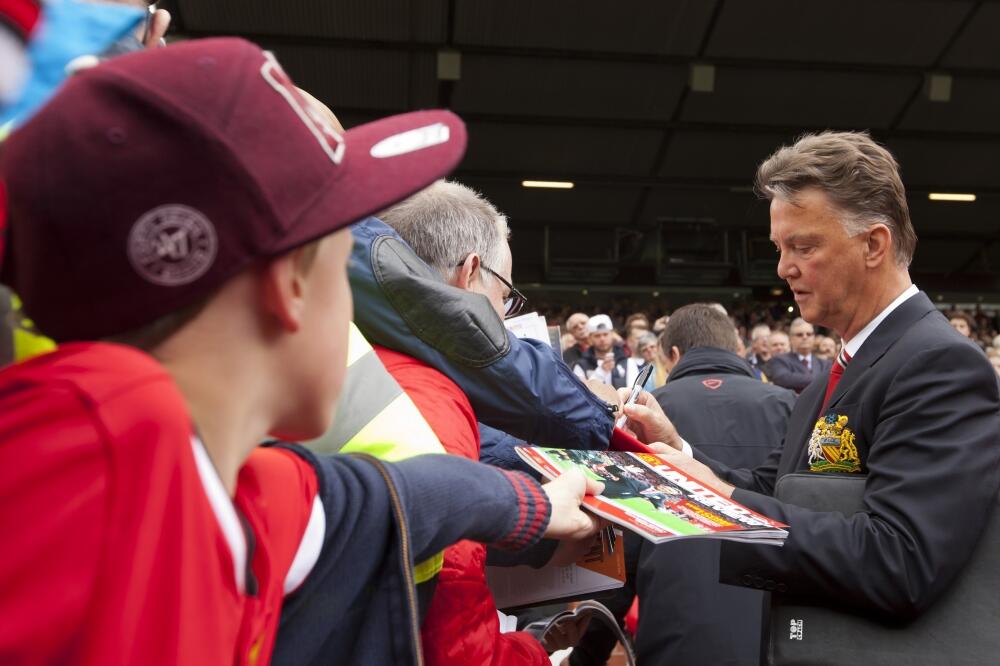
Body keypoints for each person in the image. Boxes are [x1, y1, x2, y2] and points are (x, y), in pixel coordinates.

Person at [0, 39, 600, 665]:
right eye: (344, 270)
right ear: (289, 283)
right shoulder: (83, 467)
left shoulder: (212, 471)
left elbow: (415, 497)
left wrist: (533, 508)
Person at [624, 131, 1000, 642]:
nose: (783, 268)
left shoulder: (940, 364)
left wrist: (725, 498)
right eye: (780, 248)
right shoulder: (839, 369)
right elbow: (778, 489)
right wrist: (681, 453)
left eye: (803, 246)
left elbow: (900, 561)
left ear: (874, 244)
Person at [376, 180, 592, 665]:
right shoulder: (429, 398)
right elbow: (463, 653)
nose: (506, 316)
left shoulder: (354, 357)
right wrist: (535, 650)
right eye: (506, 294)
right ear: (471, 273)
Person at [636, 304, 795, 665]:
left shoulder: (648, 409)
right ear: (737, 350)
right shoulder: (790, 404)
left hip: (676, 602)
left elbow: (628, 529)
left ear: (672, 355)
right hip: (771, 606)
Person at [765, 317, 832, 393]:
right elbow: (782, 379)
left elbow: (832, 382)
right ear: (791, 338)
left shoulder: (825, 363)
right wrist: (821, 380)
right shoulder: (779, 360)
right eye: (799, 335)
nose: (805, 337)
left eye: (809, 334)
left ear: (814, 337)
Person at [572, 314, 631, 388]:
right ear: (590, 338)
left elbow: (634, 392)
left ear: (612, 335)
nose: (602, 339)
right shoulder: (580, 365)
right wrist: (601, 372)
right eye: (597, 336)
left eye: (605, 334)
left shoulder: (627, 362)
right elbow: (579, 393)